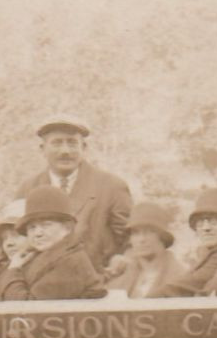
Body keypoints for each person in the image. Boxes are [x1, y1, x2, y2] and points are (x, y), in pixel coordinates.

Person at [13, 116, 132, 273]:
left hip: (97, 287)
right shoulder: (28, 188)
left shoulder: (112, 186)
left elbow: (131, 242)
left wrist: (121, 262)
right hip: (42, 288)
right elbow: (12, 240)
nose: (65, 151)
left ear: (84, 147)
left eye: (72, 143)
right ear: (42, 149)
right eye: (56, 143)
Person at [0, 186, 107, 301]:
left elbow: (27, 308)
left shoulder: (71, 263)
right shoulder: (42, 256)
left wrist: (14, 269)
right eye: (32, 227)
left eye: (46, 225)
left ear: (67, 228)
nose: (38, 233)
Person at [172, 187, 217, 296]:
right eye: (200, 222)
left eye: (214, 221)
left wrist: (142, 303)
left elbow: (186, 285)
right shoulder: (205, 255)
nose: (206, 228)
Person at [107, 203, 191, 298]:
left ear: (163, 237)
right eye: (136, 233)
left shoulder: (180, 277)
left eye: (150, 231)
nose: (142, 239)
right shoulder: (121, 277)